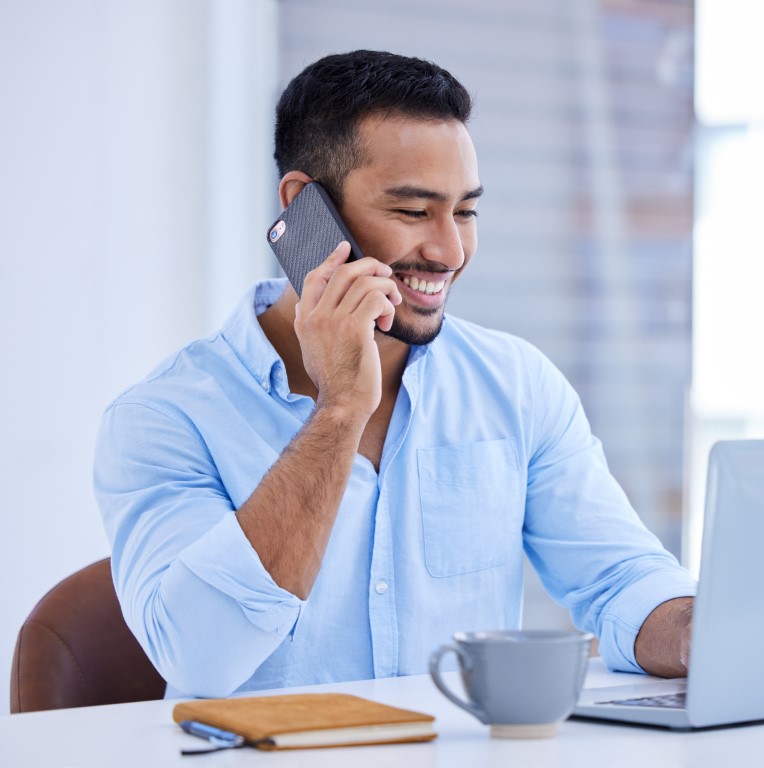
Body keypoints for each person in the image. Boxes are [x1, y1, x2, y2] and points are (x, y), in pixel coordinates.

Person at [94, 50, 695, 699]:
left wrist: (697, 631)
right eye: (412, 212)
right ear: (304, 207)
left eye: (464, 211)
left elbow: (618, 581)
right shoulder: (164, 416)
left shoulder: (515, 384)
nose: (449, 251)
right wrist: (339, 412)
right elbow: (200, 658)